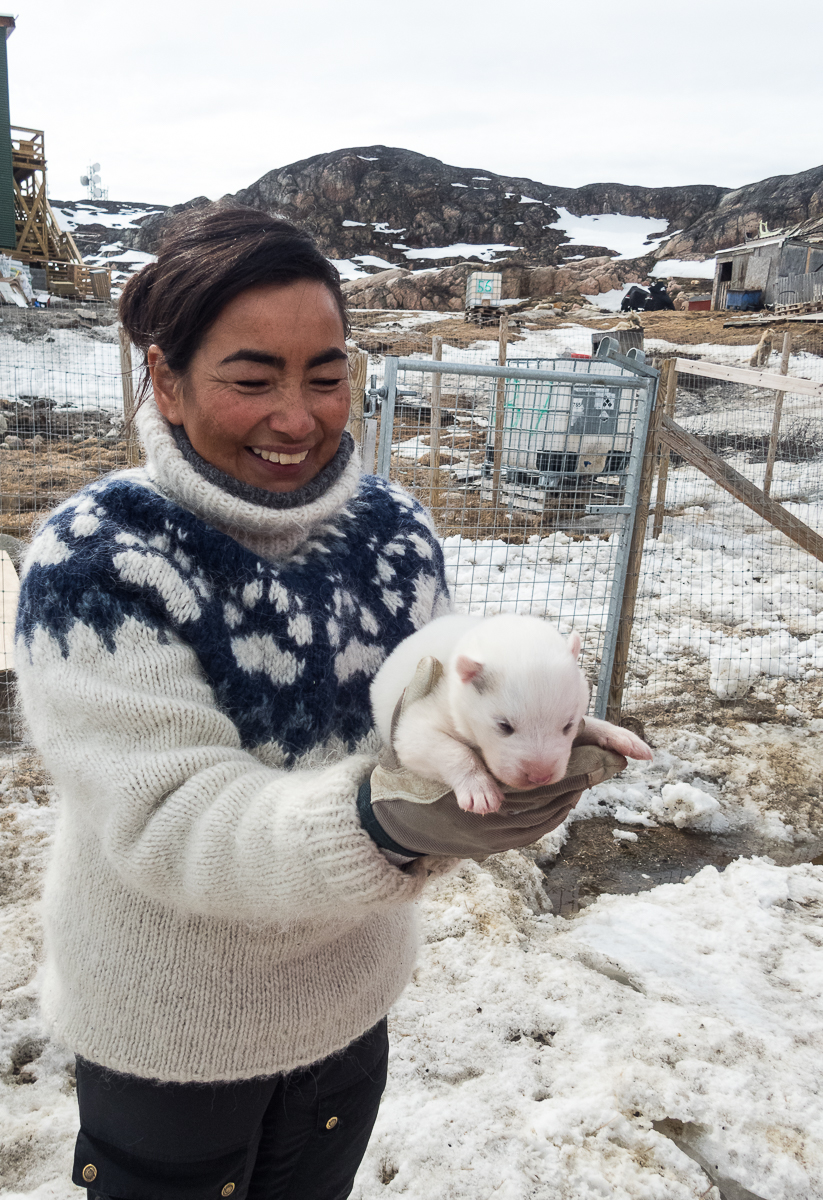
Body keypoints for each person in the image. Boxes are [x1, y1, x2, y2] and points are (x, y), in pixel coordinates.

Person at [14, 207, 628, 1200]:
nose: (297, 416)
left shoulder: (391, 531)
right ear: (165, 382)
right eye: (251, 379)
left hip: (347, 1012)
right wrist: (378, 818)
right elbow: (168, 818)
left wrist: (537, 721)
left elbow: (441, 692)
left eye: (328, 376)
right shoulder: (99, 561)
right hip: (174, 1035)